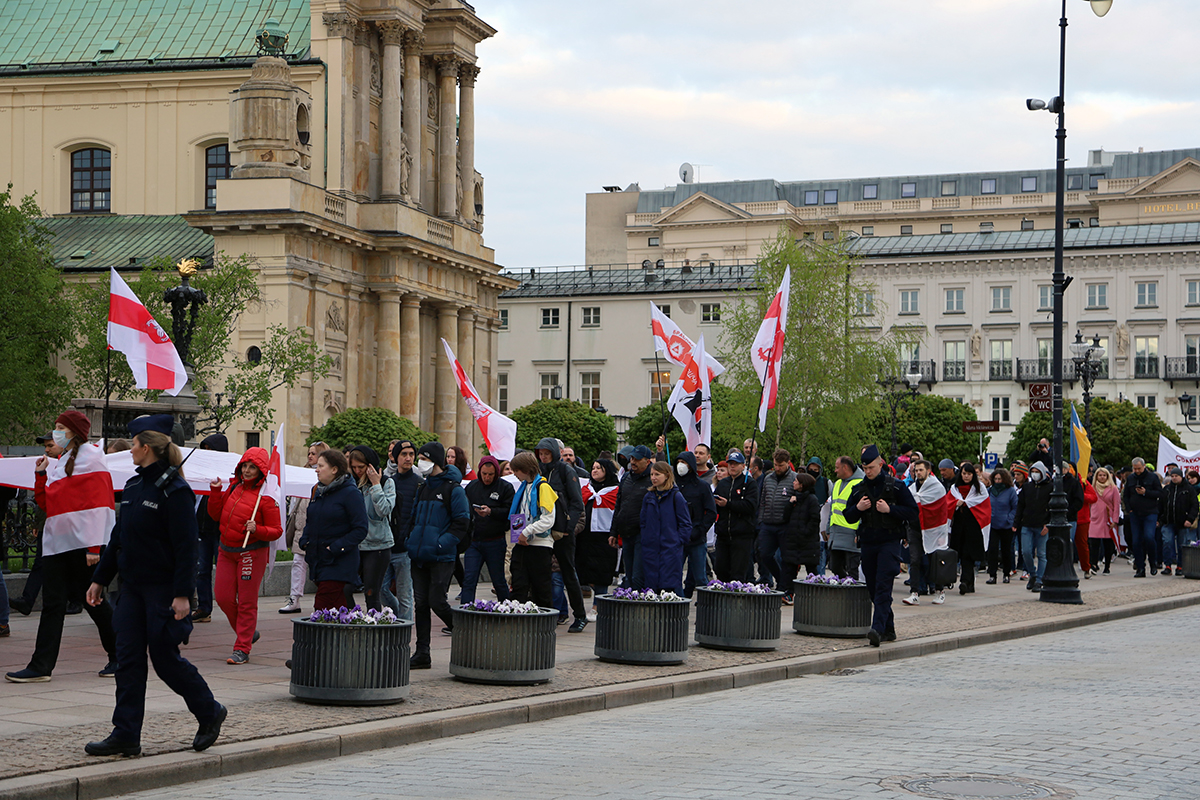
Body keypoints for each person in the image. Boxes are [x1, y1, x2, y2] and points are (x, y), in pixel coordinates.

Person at [82, 414, 226, 757]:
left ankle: (209, 711)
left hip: (163, 590)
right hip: (131, 588)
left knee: (165, 660)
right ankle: (126, 733)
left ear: (147, 447)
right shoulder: (133, 487)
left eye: (133, 444)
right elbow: (120, 539)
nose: (130, 449)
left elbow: (186, 548)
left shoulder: (175, 491)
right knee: (128, 659)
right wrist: (100, 579)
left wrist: (182, 595)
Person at [7, 410, 118, 683]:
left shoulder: (93, 460)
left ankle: (121, 655)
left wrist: (94, 548)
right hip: (57, 544)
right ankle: (41, 666)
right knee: (54, 604)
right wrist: (41, 477)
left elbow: (99, 504)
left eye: (60, 427)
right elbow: (49, 506)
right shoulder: (60, 463)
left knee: (93, 601)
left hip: (81, 546)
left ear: (74, 433)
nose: (55, 432)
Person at [207, 446, 283, 665]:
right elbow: (215, 515)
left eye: (253, 467)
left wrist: (257, 528)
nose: (247, 471)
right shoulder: (233, 487)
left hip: (251, 553)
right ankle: (247, 634)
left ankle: (242, 647)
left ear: (261, 471)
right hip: (226, 550)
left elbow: (276, 530)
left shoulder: (266, 497)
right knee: (222, 597)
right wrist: (215, 493)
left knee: (247, 602)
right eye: (245, 466)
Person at [843, 445, 918, 646]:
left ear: (880, 464)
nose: (868, 472)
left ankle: (876, 629)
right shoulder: (859, 488)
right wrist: (858, 508)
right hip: (868, 542)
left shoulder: (896, 486)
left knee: (883, 586)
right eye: (865, 468)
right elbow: (848, 516)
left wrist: (890, 510)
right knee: (873, 589)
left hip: (889, 542)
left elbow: (912, 512)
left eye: (871, 468)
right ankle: (889, 629)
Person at [406, 442, 470, 669]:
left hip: (441, 556)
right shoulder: (423, 487)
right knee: (421, 603)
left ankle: (464, 632)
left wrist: (443, 544)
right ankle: (422, 652)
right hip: (419, 554)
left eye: (422, 457)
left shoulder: (454, 489)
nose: (418, 462)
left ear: (434, 460)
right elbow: (414, 518)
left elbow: (462, 522)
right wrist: (410, 540)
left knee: (437, 601)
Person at [299, 449, 369, 611]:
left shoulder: (350, 493)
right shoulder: (318, 491)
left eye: (321, 466)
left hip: (339, 563)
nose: (316, 469)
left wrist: (335, 547)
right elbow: (311, 520)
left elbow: (360, 529)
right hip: (319, 560)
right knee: (336, 609)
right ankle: (346, 633)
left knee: (322, 607)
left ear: (334, 469)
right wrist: (305, 542)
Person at [10, 431, 67, 618]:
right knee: (41, 563)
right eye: (46, 446)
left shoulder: (67, 465)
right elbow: (43, 498)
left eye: (50, 446)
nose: (46, 450)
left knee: (55, 563)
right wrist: (38, 522)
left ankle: (75, 599)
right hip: (50, 523)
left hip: (63, 524)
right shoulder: (51, 465)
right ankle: (28, 600)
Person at [534, 437, 589, 632]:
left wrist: (567, 528)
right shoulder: (540, 472)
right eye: (540, 454)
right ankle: (548, 613)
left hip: (562, 532)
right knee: (543, 573)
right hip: (544, 530)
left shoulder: (566, 470)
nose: (543, 457)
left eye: (546, 453)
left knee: (568, 574)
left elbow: (576, 503)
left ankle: (580, 615)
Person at [279, 441, 326, 615]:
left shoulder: (325, 477)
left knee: (318, 565)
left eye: (314, 453)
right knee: (298, 563)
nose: (310, 456)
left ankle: (321, 600)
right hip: (301, 527)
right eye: (309, 453)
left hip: (318, 527)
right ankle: (294, 598)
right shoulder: (302, 472)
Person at [347, 446, 395, 611]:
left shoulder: (386, 482)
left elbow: (384, 510)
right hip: (355, 545)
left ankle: (375, 630)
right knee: (345, 588)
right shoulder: (350, 484)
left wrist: (375, 485)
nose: (358, 471)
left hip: (378, 545)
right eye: (354, 467)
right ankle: (356, 618)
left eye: (361, 467)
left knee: (371, 593)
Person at [508, 451, 557, 610]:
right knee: (518, 585)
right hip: (522, 544)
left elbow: (548, 519)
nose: (514, 473)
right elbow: (520, 514)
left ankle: (543, 625)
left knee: (541, 589)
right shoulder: (523, 488)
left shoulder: (543, 487)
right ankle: (518, 622)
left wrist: (526, 531)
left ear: (527, 469)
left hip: (540, 545)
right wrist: (518, 535)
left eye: (516, 470)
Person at [462, 455, 514, 604]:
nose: (487, 477)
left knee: (498, 580)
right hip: (474, 541)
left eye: (490, 475)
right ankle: (465, 612)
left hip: (495, 541)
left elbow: (510, 512)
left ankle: (506, 609)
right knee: (469, 580)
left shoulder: (505, 487)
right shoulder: (472, 486)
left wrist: (491, 511)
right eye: (484, 474)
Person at [191, 434, 228, 624]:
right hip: (202, 530)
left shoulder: (229, 474)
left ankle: (230, 606)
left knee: (223, 572)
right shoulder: (200, 472)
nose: (207, 453)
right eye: (204, 450)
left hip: (220, 531)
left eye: (210, 450)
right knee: (201, 570)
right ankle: (204, 608)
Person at [381, 440, 420, 622]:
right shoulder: (389, 482)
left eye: (411, 454)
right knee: (381, 588)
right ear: (395, 458)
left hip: (405, 548)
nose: (408, 458)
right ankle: (399, 618)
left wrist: (410, 538)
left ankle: (405, 626)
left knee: (405, 594)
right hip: (387, 545)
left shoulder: (420, 483)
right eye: (404, 454)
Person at [639, 462, 691, 594]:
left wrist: (677, 541)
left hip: (670, 550)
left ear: (667, 475)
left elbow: (685, 523)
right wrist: (646, 538)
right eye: (652, 474)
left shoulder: (676, 496)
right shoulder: (648, 496)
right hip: (651, 549)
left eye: (657, 474)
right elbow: (643, 521)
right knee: (651, 589)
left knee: (668, 588)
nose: (653, 477)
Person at [578, 459, 620, 614]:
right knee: (585, 571)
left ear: (607, 470)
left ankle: (598, 605)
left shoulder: (616, 490)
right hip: (585, 536)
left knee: (602, 572)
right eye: (593, 467)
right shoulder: (586, 488)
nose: (594, 470)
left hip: (605, 537)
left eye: (598, 468)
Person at [906, 459, 949, 606]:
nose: (918, 473)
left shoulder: (937, 488)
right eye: (915, 470)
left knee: (933, 561)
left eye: (920, 470)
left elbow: (941, 510)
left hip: (934, 530)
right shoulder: (912, 489)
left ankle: (939, 590)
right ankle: (914, 592)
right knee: (914, 560)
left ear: (928, 471)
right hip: (915, 529)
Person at [610, 445, 655, 588]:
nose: (633, 462)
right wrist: (613, 531)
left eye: (637, 459)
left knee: (638, 576)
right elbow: (619, 505)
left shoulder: (652, 479)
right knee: (629, 574)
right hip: (626, 532)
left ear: (647, 461)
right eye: (632, 458)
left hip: (643, 534)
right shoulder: (626, 477)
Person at [673, 451, 716, 598]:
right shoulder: (674, 486)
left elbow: (711, 512)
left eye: (684, 463)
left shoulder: (702, 486)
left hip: (696, 538)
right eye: (678, 462)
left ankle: (706, 609)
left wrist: (700, 530)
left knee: (700, 577)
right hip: (678, 538)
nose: (680, 466)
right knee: (675, 575)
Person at [712, 452, 759, 581]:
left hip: (741, 535)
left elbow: (750, 506)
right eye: (730, 464)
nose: (732, 467)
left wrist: (728, 504)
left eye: (735, 464)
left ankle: (736, 598)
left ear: (743, 466)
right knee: (720, 569)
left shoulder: (750, 483)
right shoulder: (723, 483)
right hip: (723, 534)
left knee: (738, 572)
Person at [949, 463, 990, 595]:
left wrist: (968, 504)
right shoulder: (955, 488)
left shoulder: (980, 488)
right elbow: (947, 503)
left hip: (973, 526)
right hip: (959, 526)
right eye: (964, 473)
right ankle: (968, 583)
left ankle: (965, 582)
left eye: (969, 474)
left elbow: (984, 505)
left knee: (968, 554)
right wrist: (956, 504)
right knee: (960, 553)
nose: (966, 476)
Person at [756, 450, 796, 589]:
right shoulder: (768, 478)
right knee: (764, 554)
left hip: (785, 525)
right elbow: (763, 501)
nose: (778, 468)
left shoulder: (794, 479)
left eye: (781, 465)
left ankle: (785, 586)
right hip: (767, 523)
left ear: (787, 463)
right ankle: (780, 578)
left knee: (785, 558)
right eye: (775, 465)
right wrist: (761, 520)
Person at [781, 472, 821, 602]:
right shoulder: (794, 498)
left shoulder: (812, 499)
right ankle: (789, 593)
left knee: (811, 568)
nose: (793, 483)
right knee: (790, 568)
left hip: (807, 541)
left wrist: (804, 532)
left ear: (802, 484)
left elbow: (815, 520)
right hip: (793, 540)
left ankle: (814, 593)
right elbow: (785, 517)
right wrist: (789, 503)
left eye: (796, 481)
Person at [1013, 461, 1053, 591]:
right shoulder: (1027, 487)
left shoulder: (1050, 487)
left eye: (1037, 472)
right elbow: (1020, 506)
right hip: (1027, 524)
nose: (1035, 475)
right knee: (1025, 552)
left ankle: (1040, 580)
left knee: (1042, 554)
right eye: (1033, 472)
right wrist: (1016, 522)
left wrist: (1048, 524)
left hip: (1042, 525)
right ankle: (1033, 574)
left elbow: (1052, 507)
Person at [824, 456, 863, 580]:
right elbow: (833, 509)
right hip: (836, 535)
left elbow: (863, 511)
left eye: (837, 467)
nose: (835, 470)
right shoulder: (837, 484)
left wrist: (860, 532)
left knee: (852, 570)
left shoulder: (860, 483)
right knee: (834, 567)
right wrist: (828, 529)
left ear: (845, 467)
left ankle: (854, 597)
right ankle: (844, 590)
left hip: (852, 535)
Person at [1123, 457, 1161, 578]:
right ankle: (1140, 567)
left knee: (1149, 537)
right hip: (1135, 513)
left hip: (1150, 512)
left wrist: (1146, 492)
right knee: (1136, 541)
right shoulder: (1131, 478)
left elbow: (1160, 493)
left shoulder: (1153, 477)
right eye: (1135, 469)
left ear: (1144, 466)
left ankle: (1153, 562)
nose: (1137, 471)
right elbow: (1126, 496)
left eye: (1139, 468)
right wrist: (1129, 509)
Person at [1158, 466, 1197, 576]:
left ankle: (1181, 566)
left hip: (1183, 522)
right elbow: (1160, 505)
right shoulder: (1167, 490)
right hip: (1168, 521)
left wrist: (1190, 519)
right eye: (1172, 476)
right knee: (1167, 543)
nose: (1174, 478)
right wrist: (1159, 519)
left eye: (1176, 476)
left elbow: (1194, 505)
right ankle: (1168, 565)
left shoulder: (1189, 489)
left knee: (1182, 545)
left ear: (1181, 476)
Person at [986, 467, 1018, 584]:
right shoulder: (990, 490)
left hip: (1006, 525)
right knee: (992, 550)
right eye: (996, 479)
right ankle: (992, 575)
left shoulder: (1010, 491)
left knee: (1006, 551)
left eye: (1000, 479)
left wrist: (1009, 519)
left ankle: (1006, 574)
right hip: (993, 525)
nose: (998, 481)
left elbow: (1015, 507)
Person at [1089, 468, 1121, 574]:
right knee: (1094, 543)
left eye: (1104, 475)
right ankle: (1093, 564)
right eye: (1100, 475)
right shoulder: (1092, 488)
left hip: (1108, 518)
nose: (1102, 477)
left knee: (1108, 544)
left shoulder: (1113, 489)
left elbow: (1117, 505)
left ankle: (1107, 566)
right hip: (1095, 518)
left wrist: (1115, 520)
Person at [1074, 465, 1098, 578]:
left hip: (1082, 519)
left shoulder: (1083, 483)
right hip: (1067, 518)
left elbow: (1093, 498)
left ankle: (1086, 567)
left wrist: (1080, 496)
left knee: (1082, 544)